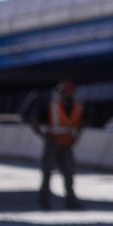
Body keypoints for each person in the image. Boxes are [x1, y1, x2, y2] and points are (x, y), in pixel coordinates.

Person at [34, 78, 86, 210]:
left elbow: (80, 124)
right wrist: (44, 136)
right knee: (47, 173)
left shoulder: (77, 107)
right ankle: (44, 202)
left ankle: (71, 200)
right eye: (66, 92)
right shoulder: (51, 107)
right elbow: (33, 121)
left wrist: (76, 138)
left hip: (67, 144)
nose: (68, 95)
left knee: (69, 173)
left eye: (70, 92)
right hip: (53, 143)